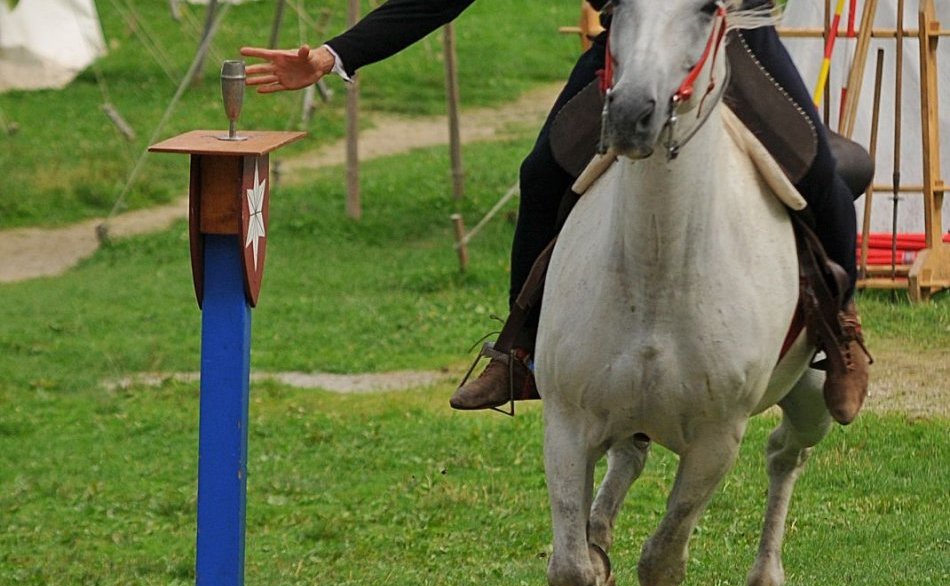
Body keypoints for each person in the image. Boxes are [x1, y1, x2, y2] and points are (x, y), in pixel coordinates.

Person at [241, 0, 870, 424]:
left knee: (816, 171)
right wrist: (333, 55)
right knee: (542, 173)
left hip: (732, 37)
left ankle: (841, 332)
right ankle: (519, 354)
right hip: (630, 46)